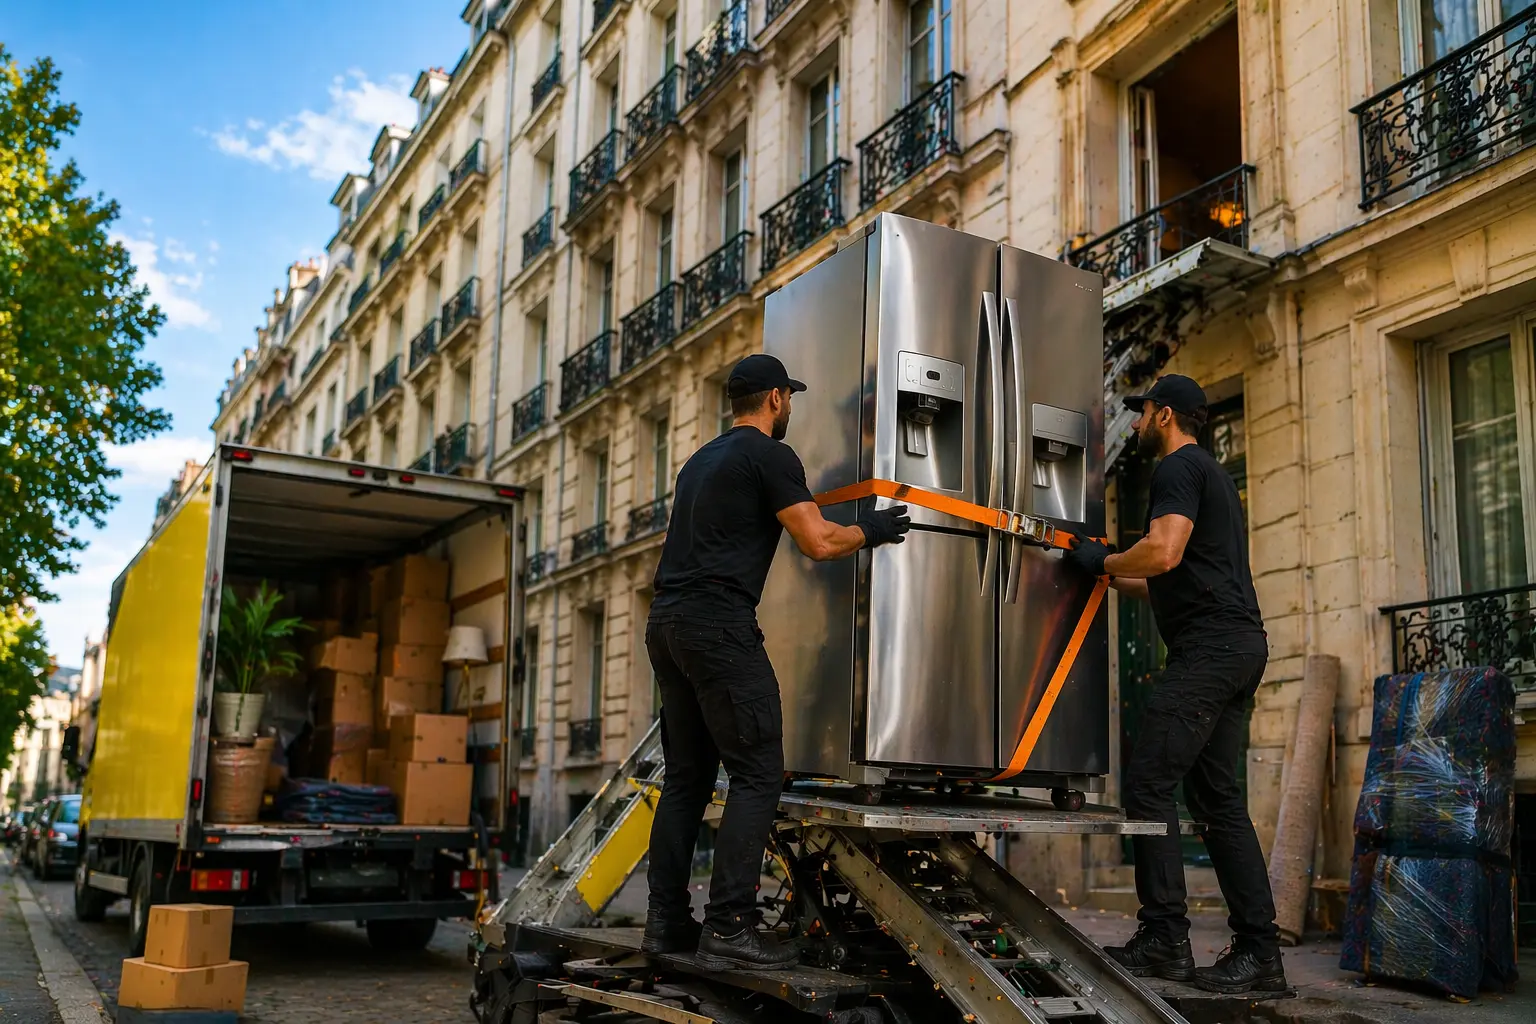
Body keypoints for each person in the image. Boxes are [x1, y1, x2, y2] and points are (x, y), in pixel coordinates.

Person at [641, 353, 912, 971]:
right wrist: (869, 528)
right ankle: (731, 927)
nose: (789, 405)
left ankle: (665, 924)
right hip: (717, 623)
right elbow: (818, 542)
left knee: (685, 779)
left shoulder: (698, 461)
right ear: (774, 400)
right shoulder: (770, 455)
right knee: (759, 773)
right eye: (788, 396)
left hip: (668, 623)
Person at [1063, 374, 1285, 995]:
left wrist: (1104, 560)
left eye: (1139, 414)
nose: (1133, 425)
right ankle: (1260, 956)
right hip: (1240, 647)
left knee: (1150, 783)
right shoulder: (1212, 475)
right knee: (1217, 801)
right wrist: (1104, 568)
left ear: (1164, 415)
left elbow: (1159, 553)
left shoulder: (1177, 469)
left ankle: (1164, 939)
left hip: (1209, 651)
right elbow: (1158, 572)